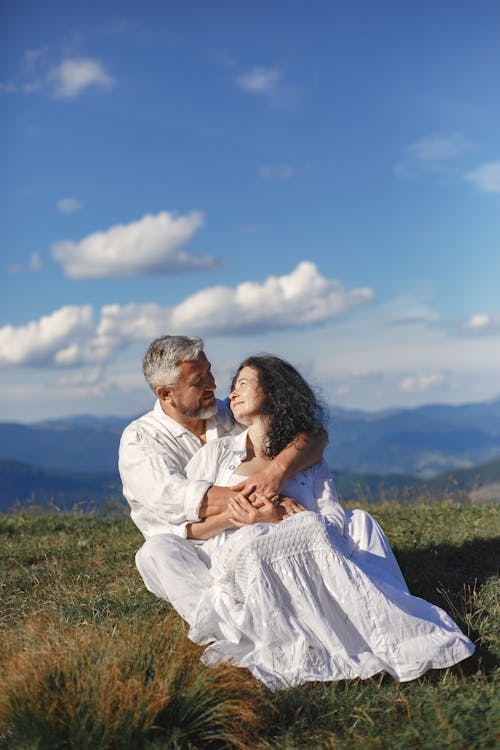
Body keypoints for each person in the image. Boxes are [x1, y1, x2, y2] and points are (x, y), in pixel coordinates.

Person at [182, 355, 475, 690]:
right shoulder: (214, 455)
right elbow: (190, 527)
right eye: (233, 387)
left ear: (274, 391)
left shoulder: (306, 457)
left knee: (315, 527)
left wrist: (276, 518)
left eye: (243, 383)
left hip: (305, 551)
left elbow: (331, 517)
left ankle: (371, 642)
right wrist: (239, 518)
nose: (232, 393)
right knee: (255, 542)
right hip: (241, 559)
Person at [119, 336, 403, 623]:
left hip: (256, 534)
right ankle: (220, 627)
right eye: (198, 381)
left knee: (356, 523)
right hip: (194, 546)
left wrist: (275, 471)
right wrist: (263, 503)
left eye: (210, 372)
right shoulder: (141, 440)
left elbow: (313, 435)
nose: (213, 385)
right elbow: (174, 499)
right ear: (166, 394)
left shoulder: (228, 413)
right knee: (155, 553)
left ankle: (367, 604)